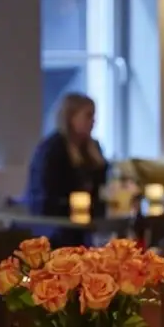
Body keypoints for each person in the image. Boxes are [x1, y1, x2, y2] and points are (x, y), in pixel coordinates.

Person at [26, 92, 109, 226]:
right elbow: (48, 193)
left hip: (89, 219)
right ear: (71, 117)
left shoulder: (92, 147)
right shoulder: (52, 149)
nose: (93, 121)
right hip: (55, 220)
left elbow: (101, 186)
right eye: (88, 116)